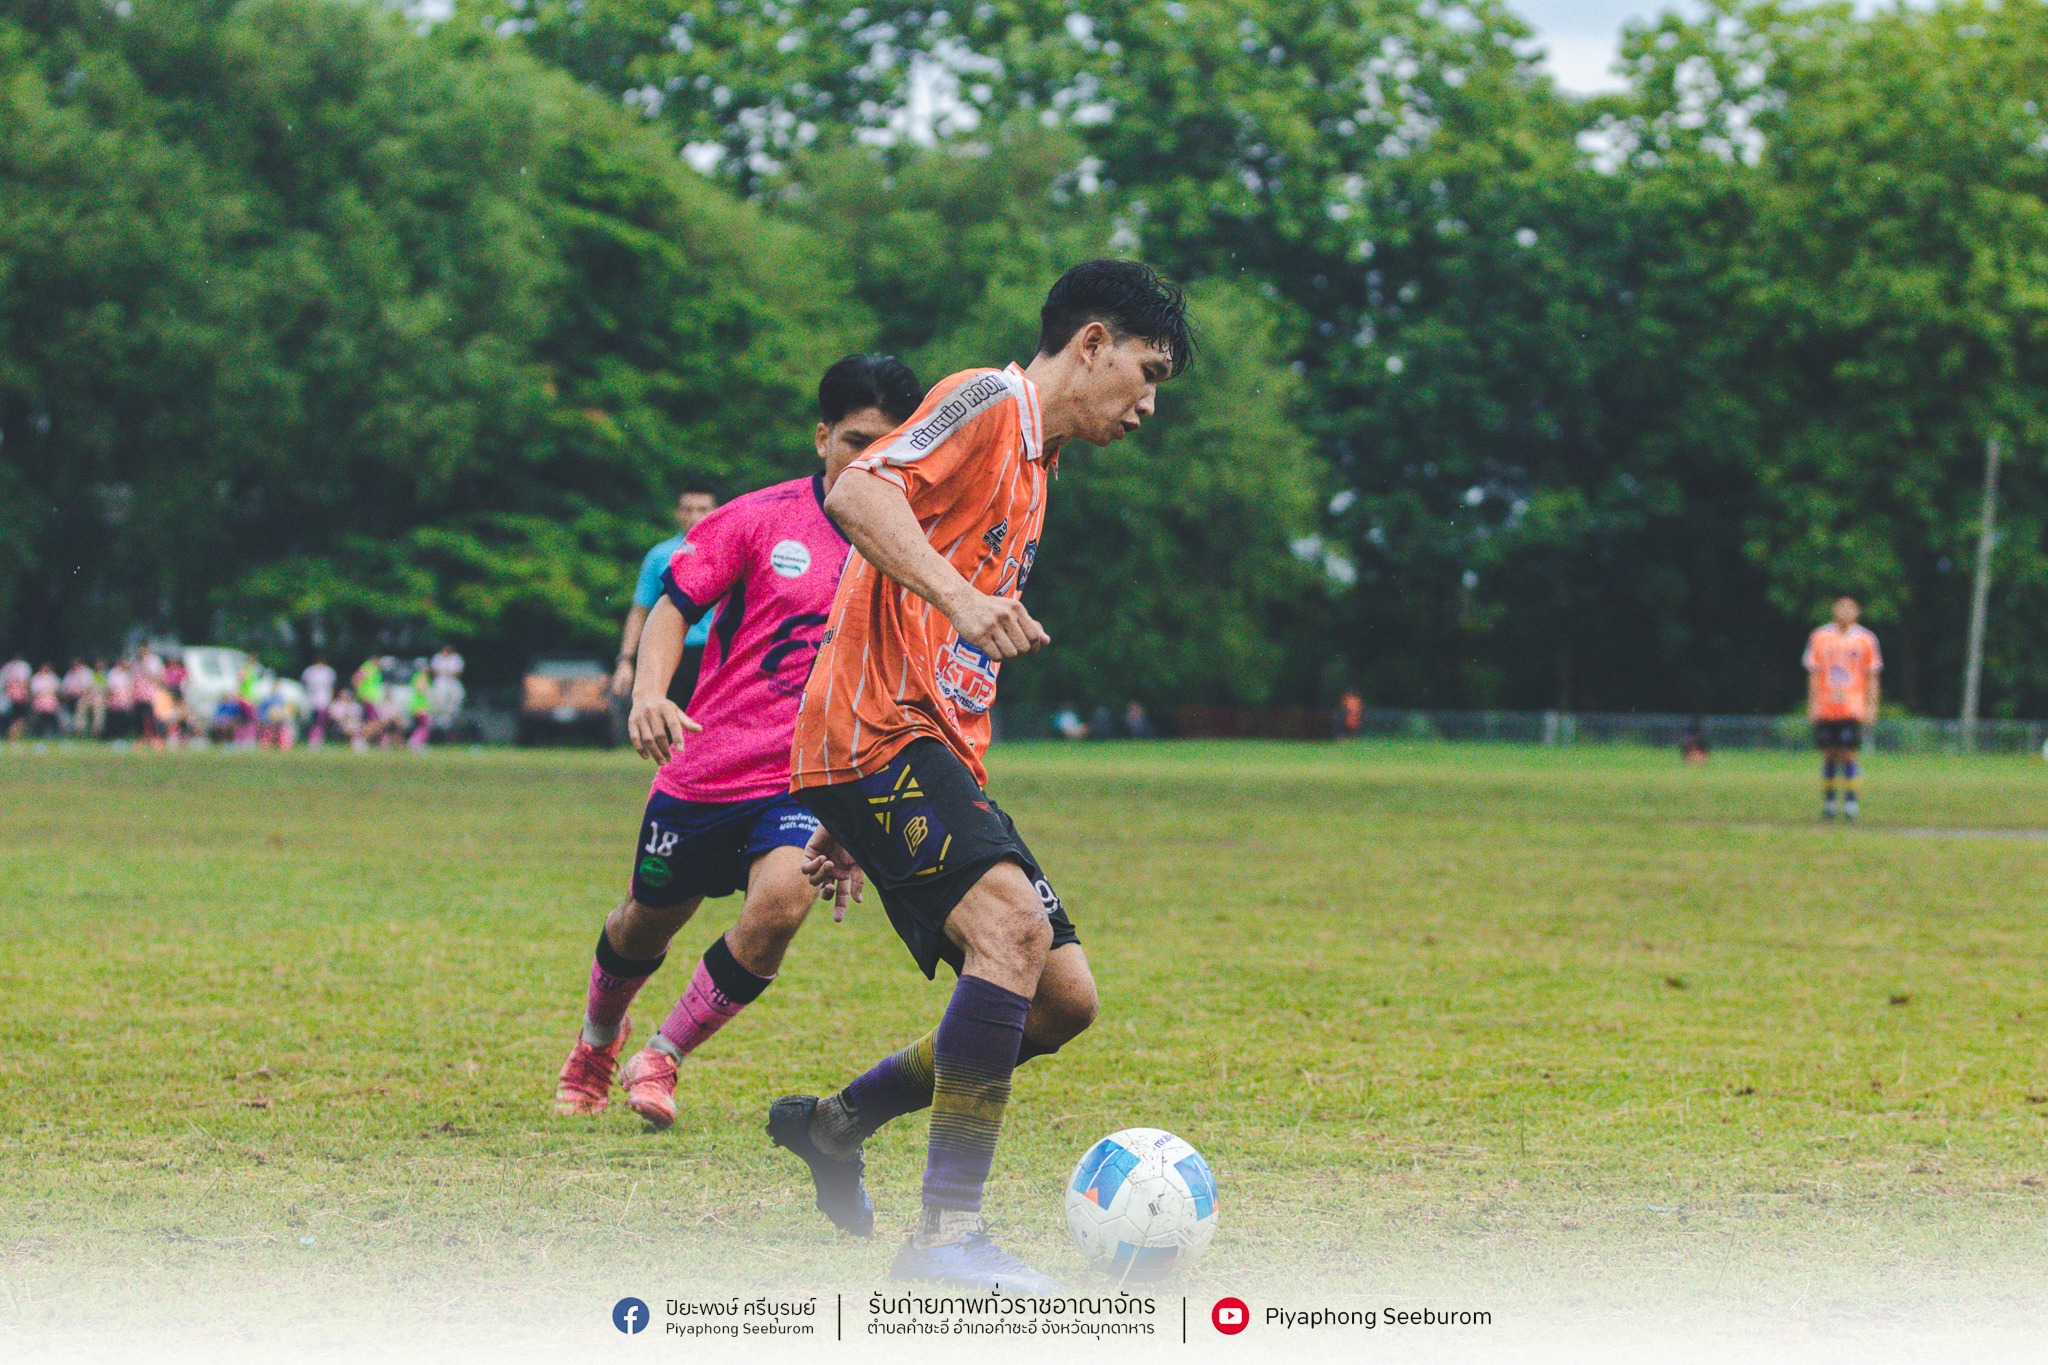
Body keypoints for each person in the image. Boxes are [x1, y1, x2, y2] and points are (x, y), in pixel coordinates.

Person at [774, 260, 1192, 1291]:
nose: (1147, 405)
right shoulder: (987, 400)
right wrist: (960, 598)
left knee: (1062, 999)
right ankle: (945, 1237)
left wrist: (853, 814)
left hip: (907, 746)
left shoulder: (1038, 469)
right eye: (1145, 373)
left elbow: (910, 618)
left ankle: (837, 1124)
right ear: (1089, 343)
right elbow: (857, 490)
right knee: (1010, 930)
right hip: (880, 729)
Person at [553, 354, 924, 1130]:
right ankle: (596, 1041)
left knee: (783, 903)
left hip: (804, 781)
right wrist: (650, 693)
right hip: (706, 769)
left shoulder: (912, 548)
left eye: (890, 445)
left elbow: (896, 688)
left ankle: (662, 1056)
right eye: (856, 441)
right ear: (822, 437)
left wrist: (861, 814)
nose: (871, 460)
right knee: (644, 921)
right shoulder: (759, 518)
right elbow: (673, 605)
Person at [614, 486, 722, 710]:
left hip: (716, 653)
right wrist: (625, 660)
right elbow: (640, 611)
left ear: (717, 511)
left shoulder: (728, 550)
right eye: (688, 510)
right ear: (677, 513)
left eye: (702, 509)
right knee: (669, 721)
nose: (694, 516)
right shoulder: (660, 555)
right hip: (671, 653)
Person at [1804, 595, 1881, 820]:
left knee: (1849, 753)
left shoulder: (1866, 639)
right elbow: (1813, 672)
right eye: (1841, 607)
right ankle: (1829, 803)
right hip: (1827, 704)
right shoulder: (1819, 636)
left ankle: (1850, 802)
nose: (1845, 611)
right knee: (1829, 753)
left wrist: (1872, 705)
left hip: (1852, 706)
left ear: (1857, 612)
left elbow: (1872, 674)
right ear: (1833, 610)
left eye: (1850, 608)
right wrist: (1813, 704)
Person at [303, 656, 337, 747]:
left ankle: (317, 737)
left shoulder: (326, 671)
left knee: (320, 720)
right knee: (315, 720)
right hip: (314, 699)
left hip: (322, 699)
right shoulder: (311, 671)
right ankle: (314, 737)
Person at [26, 663, 62, 739]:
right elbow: (33, 691)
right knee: (38, 711)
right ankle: (38, 732)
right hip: (39, 699)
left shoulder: (53, 678)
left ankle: (53, 731)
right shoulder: (36, 678)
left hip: (51, 699)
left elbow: (57, 690)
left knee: (52, 710)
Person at [1, 655, 29, 739]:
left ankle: (15, 733)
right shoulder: (7, 668)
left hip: (19, 700)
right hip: (8, 700)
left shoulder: (23, 667)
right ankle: (9, 733)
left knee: (19, 717)